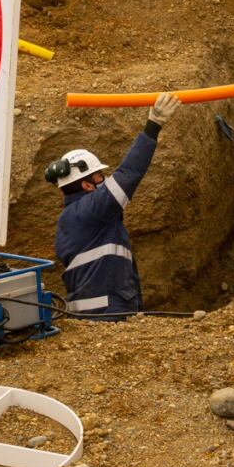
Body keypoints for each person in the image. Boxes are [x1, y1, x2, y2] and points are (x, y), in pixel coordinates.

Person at [48, 92, 182, 318]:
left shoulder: (72, 218)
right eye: (99, 177)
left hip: (94, 314)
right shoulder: (92, 209)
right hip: (107, 314)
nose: (105, 180)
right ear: (87, 185)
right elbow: (129, 173)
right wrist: (153, 126)